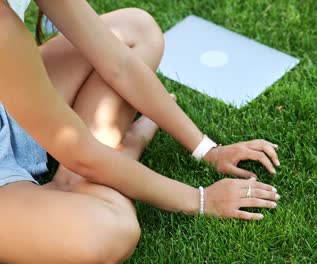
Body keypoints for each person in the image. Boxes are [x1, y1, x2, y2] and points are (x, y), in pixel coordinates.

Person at [0, 0, 282, 263]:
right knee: (108, 233)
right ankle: (123, 151)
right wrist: (200, 199)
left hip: (10, 96)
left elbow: (118, 62)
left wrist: (207, 149)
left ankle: (74, 181)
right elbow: (80, 153)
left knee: (137, 29)